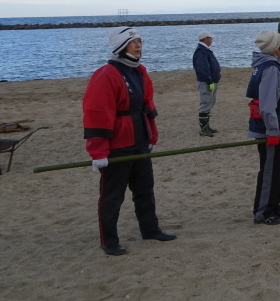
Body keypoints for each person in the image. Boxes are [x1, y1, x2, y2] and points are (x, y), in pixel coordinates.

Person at [83, 27, 177, 256]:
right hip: (117, 144)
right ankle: (109, 240)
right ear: (121, 45)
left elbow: (147, 106)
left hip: (139, 139)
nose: (139, 45)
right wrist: (98, 152)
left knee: (145, 189)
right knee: (112, 195)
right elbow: (97, 113)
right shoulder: (106, 74)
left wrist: (151, 135)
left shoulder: (140, 71)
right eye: (133, 41)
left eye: (139, 41)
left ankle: (150, 229)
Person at [246, 30, 280, 226]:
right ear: (276, 49)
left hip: (279, 123)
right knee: (269, 169)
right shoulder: (270, 68)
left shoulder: (269, 65)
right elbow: (267, 106)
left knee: (278, 167)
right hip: (269, 128)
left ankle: (274, 205)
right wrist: (273, 132)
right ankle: (263, 211)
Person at [193, 30, 221, 137]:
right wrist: (209, 81)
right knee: (205, 104)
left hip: (210, 81)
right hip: (206, 82)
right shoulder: (201, 52)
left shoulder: (204, 50)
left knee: (209, 103)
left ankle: (207, 127)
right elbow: (203, 69)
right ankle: (203, 129)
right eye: (210, 38)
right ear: (205, 39)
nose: (212, 40)